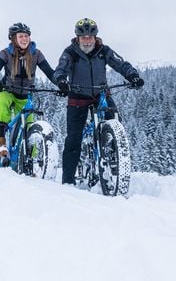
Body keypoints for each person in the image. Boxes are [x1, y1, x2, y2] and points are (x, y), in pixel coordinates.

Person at [53, 18, 144, 185]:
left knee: (115, 121)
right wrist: (61, 81)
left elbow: (120, 64)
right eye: (84, 37)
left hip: (100, 95)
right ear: (77, 37)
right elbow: (60, 69)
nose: (87, 40)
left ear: (95, 37)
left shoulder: (103, 50)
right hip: (77, 97)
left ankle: (115, 164)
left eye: (90, 37)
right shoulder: (70, 52)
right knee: (73, 139)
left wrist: (132, 75)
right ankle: (67, 181)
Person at [0, 22, 58, 160]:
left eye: (26, 36)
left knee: (29, 125)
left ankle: (29, 159)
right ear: (13, 38)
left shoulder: (36, 54)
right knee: (1, 105)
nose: (24, 39)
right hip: (6, 90)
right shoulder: (5, 53)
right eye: (21, 36)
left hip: (25, 94)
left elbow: (49, 72)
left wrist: (60, 83)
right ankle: (2, 144)